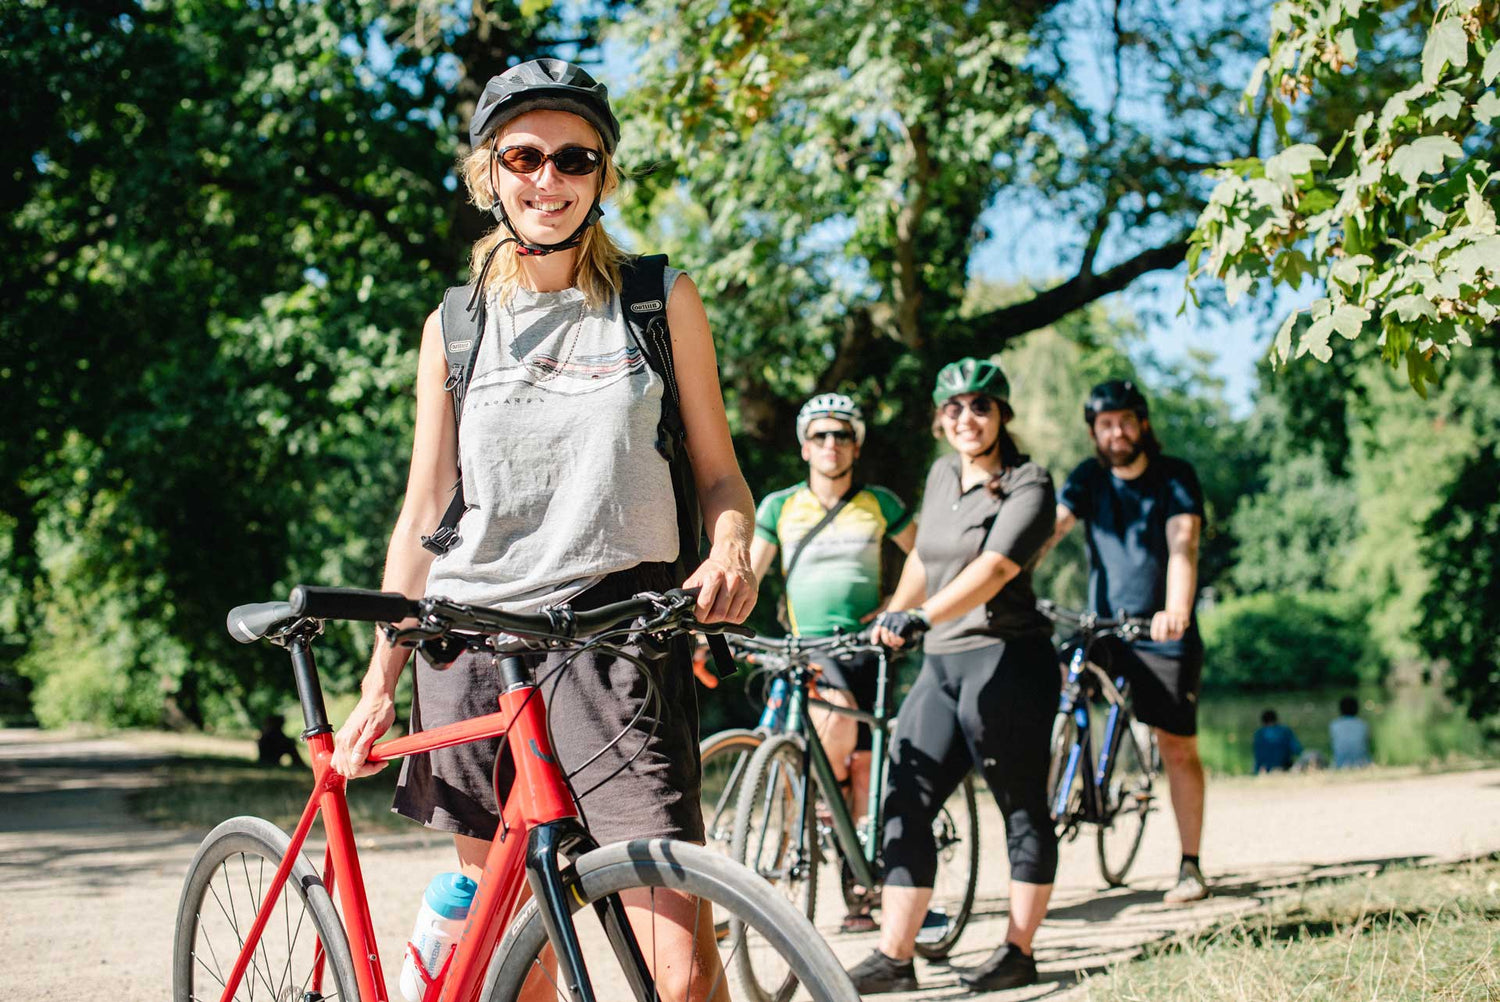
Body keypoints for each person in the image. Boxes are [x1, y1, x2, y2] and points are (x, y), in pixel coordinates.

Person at [325, 58, 757, 997]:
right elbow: (425, 512)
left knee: (674, 970)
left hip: (613, 641)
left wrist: (731, 548)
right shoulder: (455, 324)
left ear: (603, 175)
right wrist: (377, 684)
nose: (547, 180)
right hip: (473, 646)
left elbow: (723, 477)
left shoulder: (656, 299)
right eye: (524, 156)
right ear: (490, 172)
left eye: (575, 158)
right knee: (515, 965)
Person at [846, 358, 1059, 994]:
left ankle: (1019, 951)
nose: (968, 418)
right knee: (902, 798)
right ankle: (895, 955)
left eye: (981, 406)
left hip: (1008, 660)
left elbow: (994, 570)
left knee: (1021, 807)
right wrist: (893, 615)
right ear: (941, 421)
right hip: (941, 663)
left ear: (1002, 416)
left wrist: (921, 617)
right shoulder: (941, 477)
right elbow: (925, 563)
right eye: (955, 408)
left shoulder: (1030, 484)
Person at [749, 393, 916, 932]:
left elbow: (925, 557)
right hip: (811, 648)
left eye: (841, 435)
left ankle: (860, 884)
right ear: (804, 447)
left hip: (871, 646)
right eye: (820, 435)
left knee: (864, 767)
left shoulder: (880, 504)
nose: (830, 444)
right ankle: (835, 848)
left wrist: (896, 607)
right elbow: (750, 575)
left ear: (856, 446)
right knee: (837, 739)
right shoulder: (779, 507)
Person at [1047, 379, 1211, 904]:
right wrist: (1006, 572)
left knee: (1177, 747)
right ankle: (1065, 783)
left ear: (1142, 424)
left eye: (1124, 421)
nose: (1115, 432)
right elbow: (1050, 528)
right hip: (1102, 626)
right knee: (1052, 679)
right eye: (1104, 424)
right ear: (1094, 432)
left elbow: (1182, 543)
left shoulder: (1174, 476)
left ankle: (1190, 865)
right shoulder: (1087, 478)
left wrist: (1177, 611)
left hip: (1161, 627)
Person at [1330, 695, 1372, 768]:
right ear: (1357, 709)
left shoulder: (1334, 725)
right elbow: (1367, 745)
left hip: (1340, 764)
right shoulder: (1363, 724)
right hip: (1362, 763)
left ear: (1340, 709)